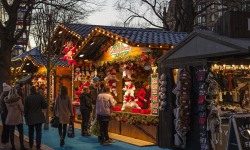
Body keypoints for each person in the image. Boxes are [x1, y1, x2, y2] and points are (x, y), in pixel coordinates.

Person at [0, 83, 11, 149]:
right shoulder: (4, 98)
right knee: (6, 129)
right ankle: (4, 142)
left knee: (5, 128)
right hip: (5, 115)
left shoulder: (2, 97)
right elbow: (5, 108)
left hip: (3, 115)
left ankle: (5, 142)